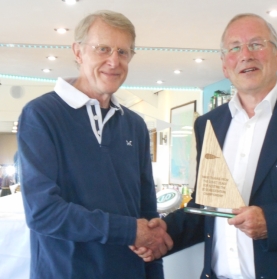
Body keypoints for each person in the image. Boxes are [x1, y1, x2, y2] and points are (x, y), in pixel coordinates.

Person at [134, 13, 277, 279]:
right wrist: (164, 233)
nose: (245, 54)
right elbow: (210, 204)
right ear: (225, 66)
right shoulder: (209, 124)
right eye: (234, 48)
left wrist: (273, 222)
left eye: (256, 44)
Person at [17, 10, 172, 279]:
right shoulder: (40, 115)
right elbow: (43, 212)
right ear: (78, 52)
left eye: (123, 52)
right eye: (103, 49)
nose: (114, 61)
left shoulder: (135, 125)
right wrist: (129, 230)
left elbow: (146, 213)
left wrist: (153, 266)